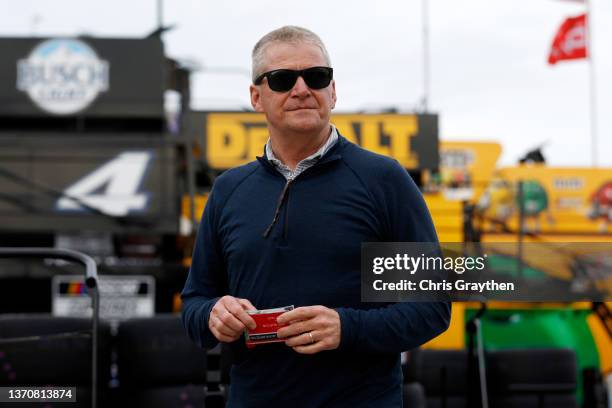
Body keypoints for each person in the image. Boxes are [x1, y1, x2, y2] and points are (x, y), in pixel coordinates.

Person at [182, 25, 451, 407]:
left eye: (316, 76)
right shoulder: (229, 190)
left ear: (333, 91)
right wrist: (213, 314)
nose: (302, 89)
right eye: (282, 79)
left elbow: (432, 308)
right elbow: (194, 302)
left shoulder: (383, 180)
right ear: (257, 97)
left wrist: (346, 327)